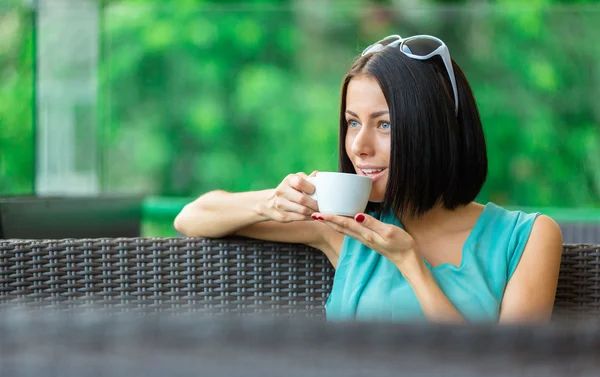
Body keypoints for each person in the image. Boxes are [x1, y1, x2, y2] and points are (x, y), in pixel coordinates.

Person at [174, 34, 563, 324]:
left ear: (433, 130)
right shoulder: (343, 227)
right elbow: (192, 217)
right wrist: (269, 203)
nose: (358, 146)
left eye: (385, 124)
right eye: (352, 123)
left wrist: (411, 264)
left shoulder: (528, 238)